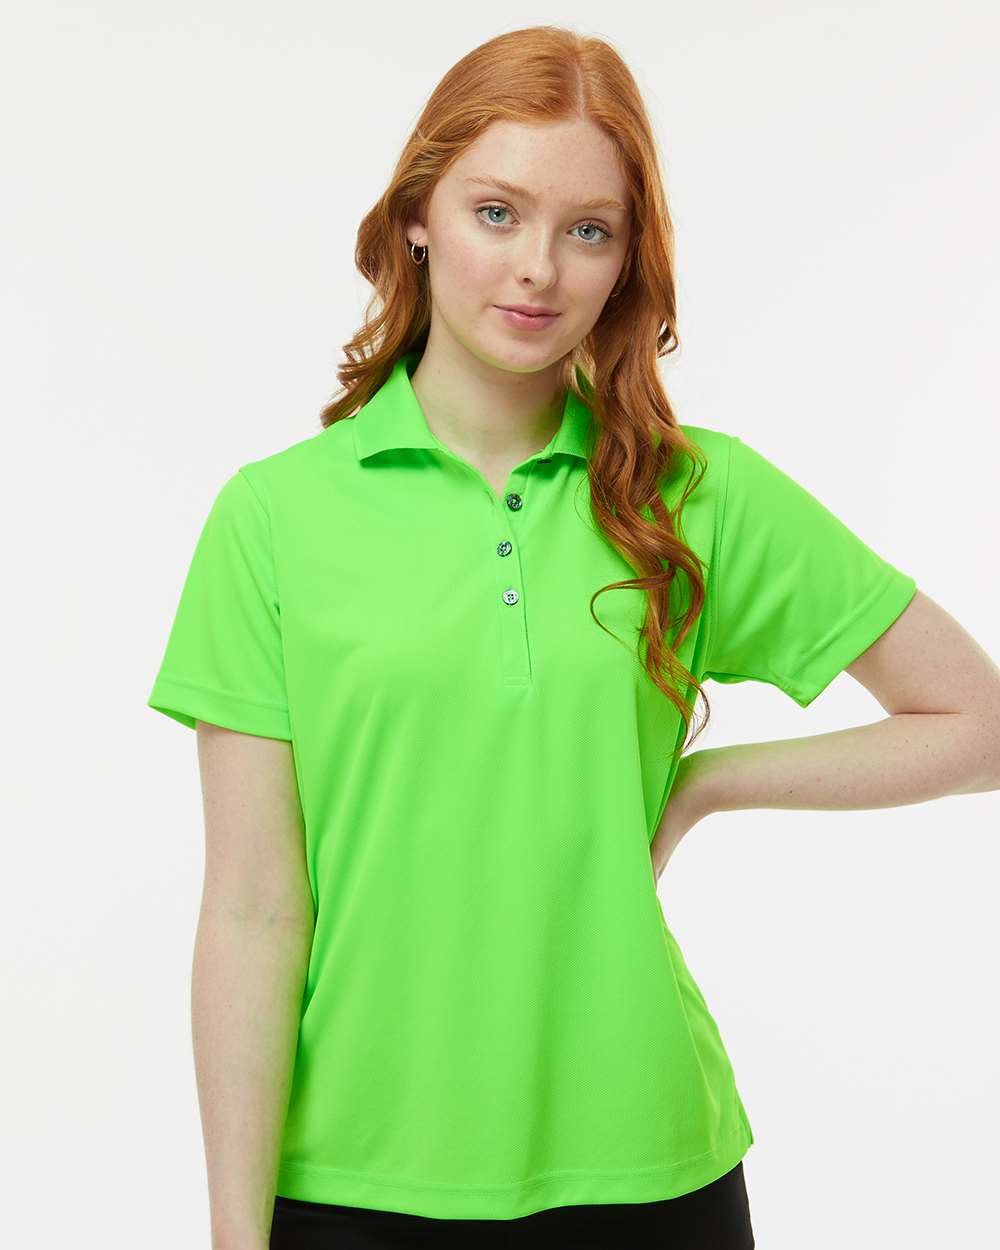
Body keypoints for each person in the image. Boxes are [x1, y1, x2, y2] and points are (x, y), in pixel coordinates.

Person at [147, 24, 1000, 1250]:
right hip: (350, 1181)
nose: (537, 268)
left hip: (650, 1172)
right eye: (497, 212)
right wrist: (236, 1234)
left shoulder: (694, 495)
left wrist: (706, 783)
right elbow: (251, 910)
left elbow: (974, 720)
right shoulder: (274, 517)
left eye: (588, 229)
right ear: (419, 216)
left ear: (624, 260)